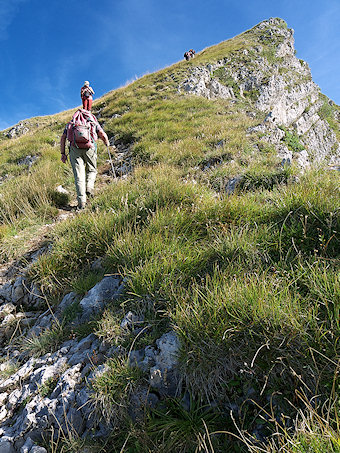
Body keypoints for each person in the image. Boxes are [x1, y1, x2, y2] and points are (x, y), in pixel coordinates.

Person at [60, 109, 111, 210]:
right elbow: (102, 134)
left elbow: (63, 138)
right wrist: (107, 143)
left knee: (79, 175)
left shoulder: (71, 124)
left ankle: (81, 203)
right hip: (90, 148)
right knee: (92, 170)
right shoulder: (92, 122)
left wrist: (63, 153)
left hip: (75, 149)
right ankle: (89, 186)